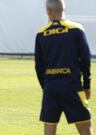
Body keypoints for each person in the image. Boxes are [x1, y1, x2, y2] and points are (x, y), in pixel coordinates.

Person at [34, 0, 93, 135]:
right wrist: (87, 85)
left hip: (51, 88)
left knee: (49, 127)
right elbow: (85, 59)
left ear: (48, 11)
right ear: (64, 9)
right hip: (73, 86)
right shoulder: (76, 29)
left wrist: (46, 87)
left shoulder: (41, 33)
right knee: (85, 126)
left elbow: (39, 66)